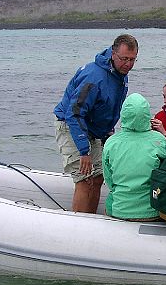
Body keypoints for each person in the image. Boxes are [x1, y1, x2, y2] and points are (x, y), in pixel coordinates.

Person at [54, 34, 138, 213]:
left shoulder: (120, 74)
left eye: (132, 60)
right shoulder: (93, 77)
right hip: (72, 125)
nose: (128, 64)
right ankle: (78, 224)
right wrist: (84, 151)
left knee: (98, 177)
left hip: (96, 130)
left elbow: (110, 108)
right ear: (113, 54)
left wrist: (108, 135)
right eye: (124, 59)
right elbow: (74, 113)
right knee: (85, 179)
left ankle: (92, 219)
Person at [101, 93, 166, 221]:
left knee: (110, 201)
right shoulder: (160, 141)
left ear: (124, 114)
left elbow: (109, 180)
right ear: (147, 115)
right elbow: (165, 176)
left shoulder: (111, 142)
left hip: (119, 209)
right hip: (152, 210)